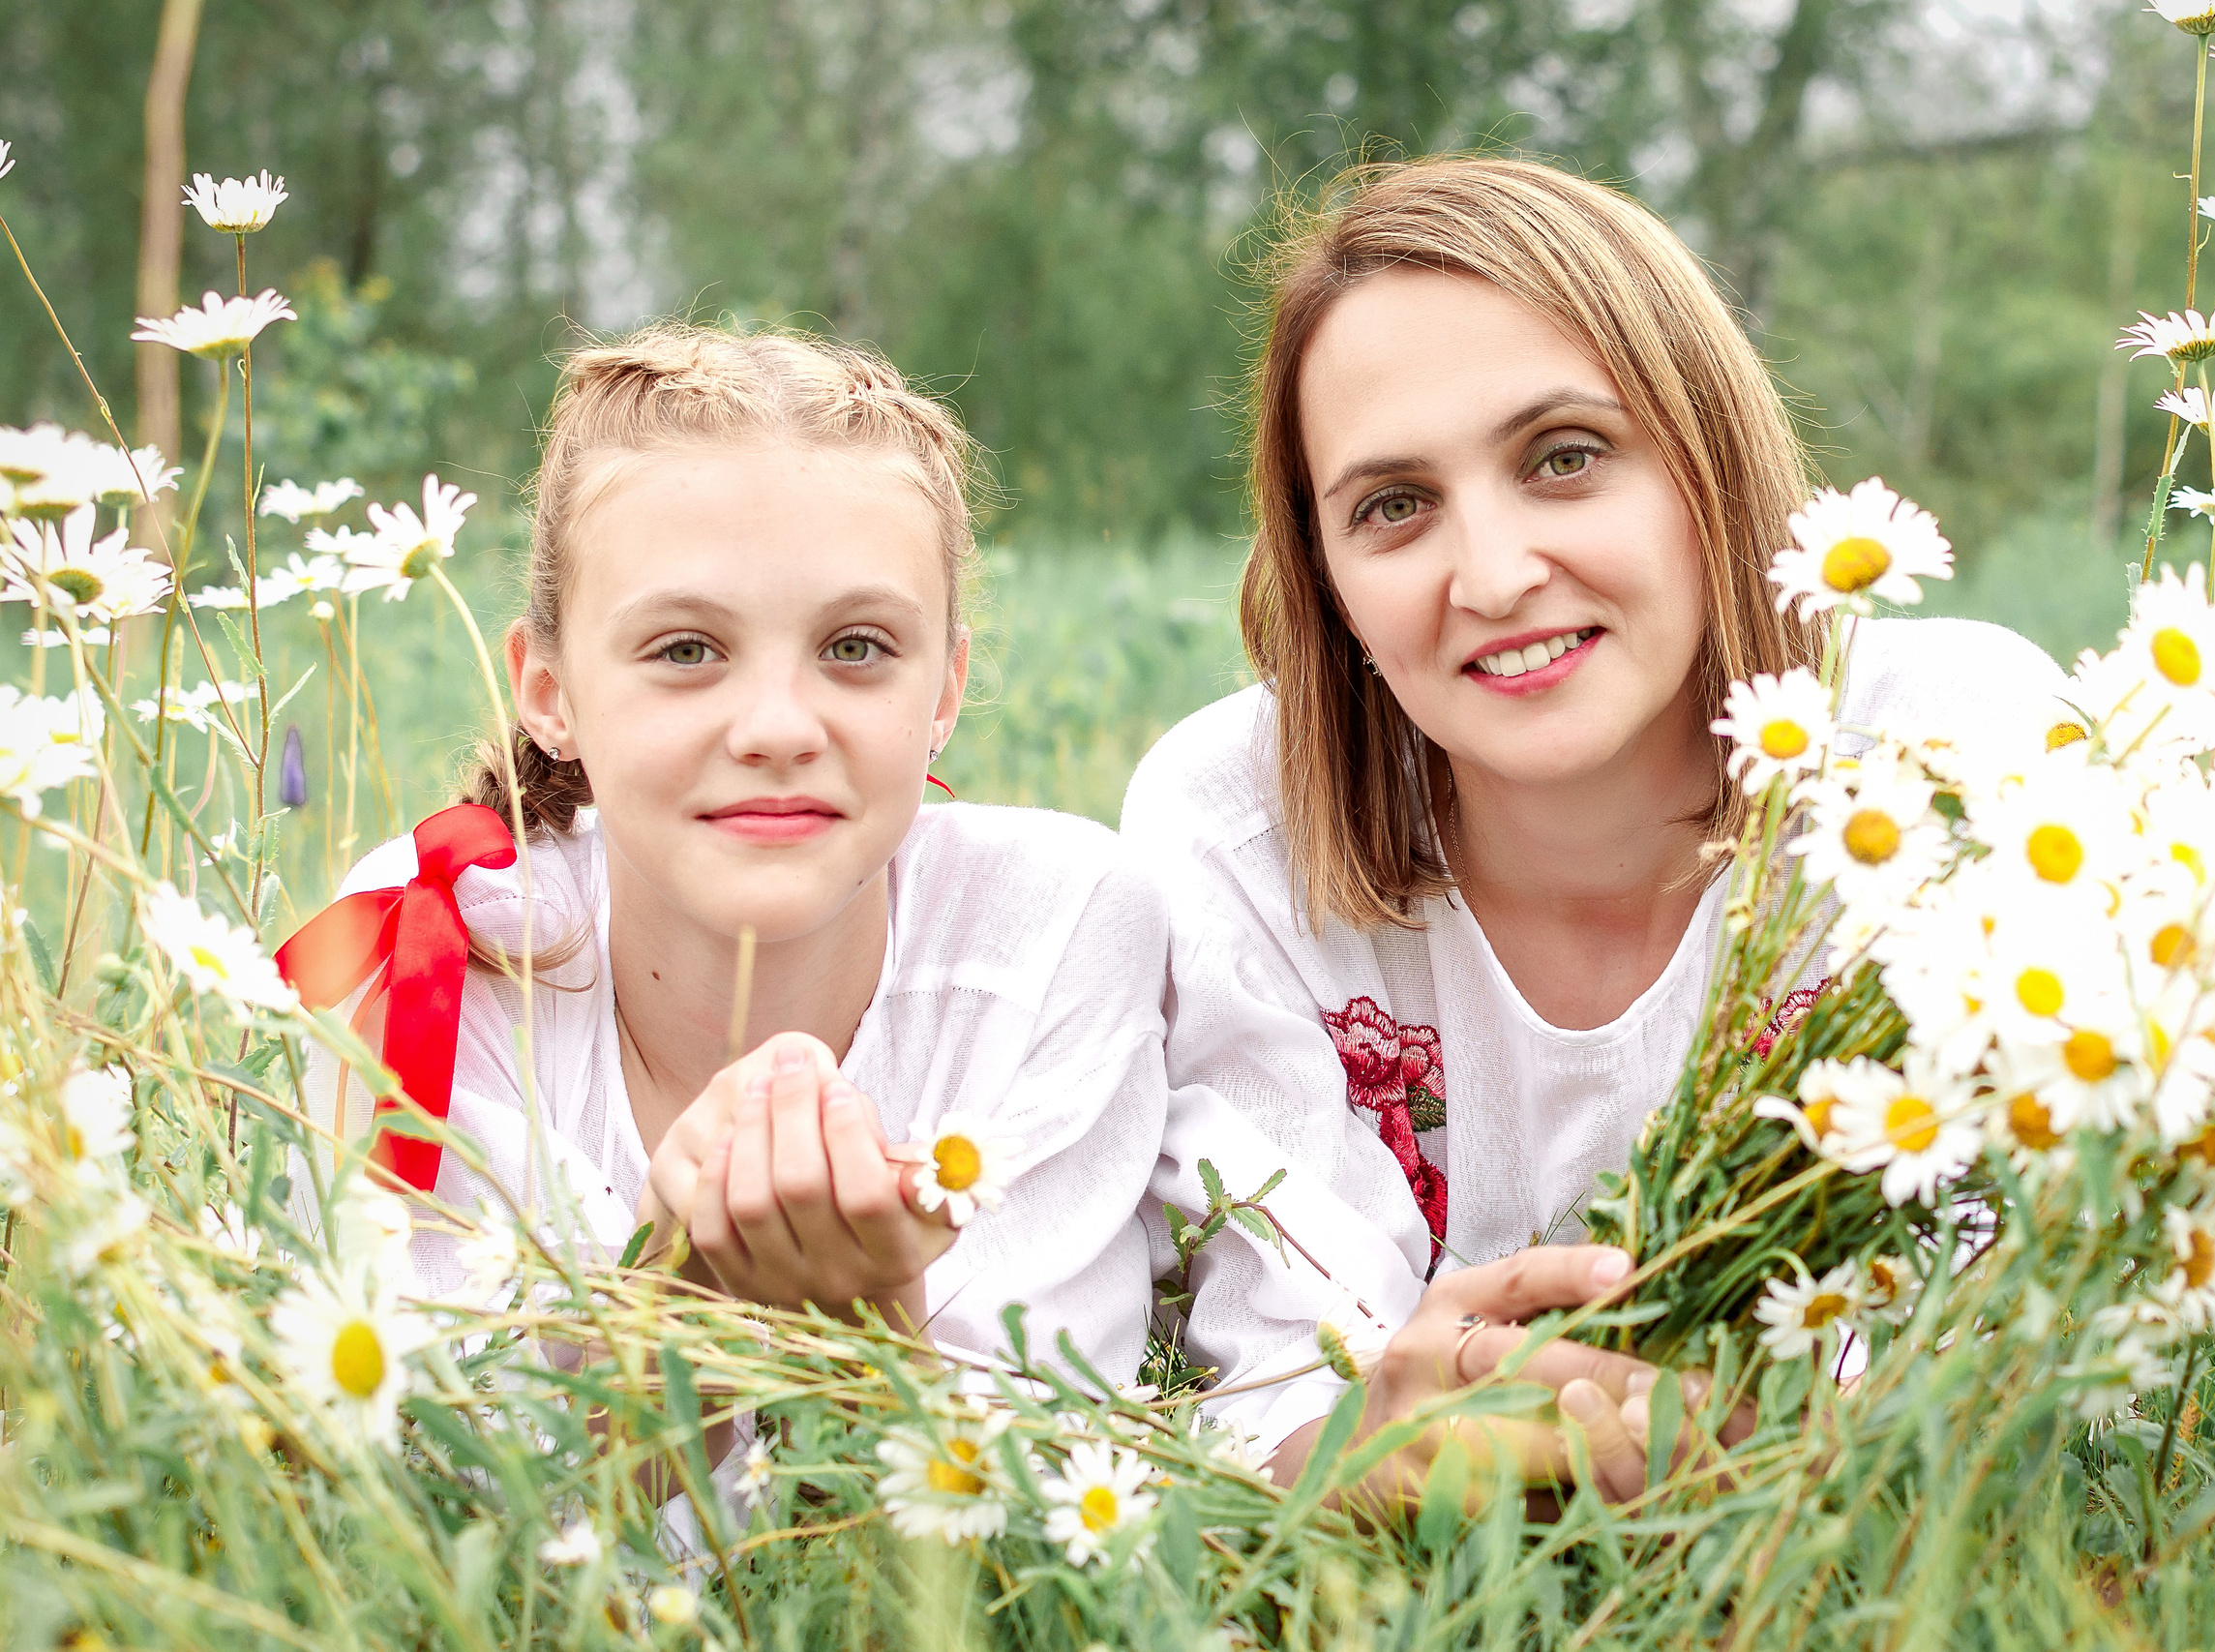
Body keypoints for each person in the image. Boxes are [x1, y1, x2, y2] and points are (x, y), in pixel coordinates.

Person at [1127, 156, 2069, 1496]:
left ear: (1708, 463)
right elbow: (1286, 1391)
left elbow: (2032, 1311)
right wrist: (1365, 1449)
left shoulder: (1957, 759)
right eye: (1393, 506)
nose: (1497, 575)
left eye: (1565, 458)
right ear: (1328, 578)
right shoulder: (1237, 826)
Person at [291, 323, 1180, 1381]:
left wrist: (874, 1347)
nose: (775, 727)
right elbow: (439, 1495)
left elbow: (1042, 1476)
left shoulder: (1053, 930)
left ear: (942, 687)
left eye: (856, 648)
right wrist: (663, 1323)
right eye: (685, 650)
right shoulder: (433, 957)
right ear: (549, 692)